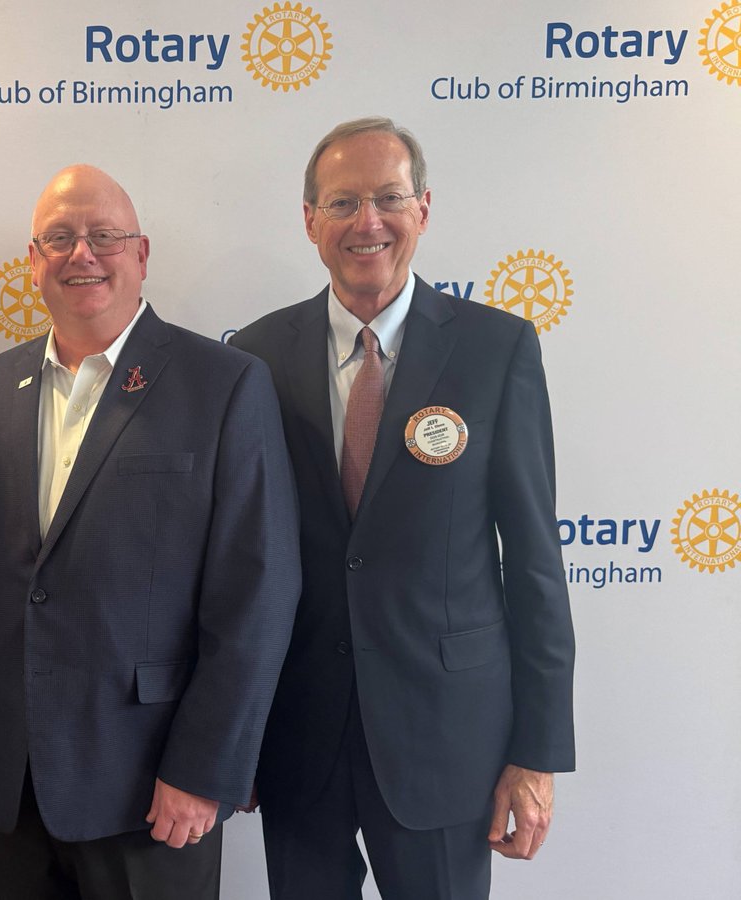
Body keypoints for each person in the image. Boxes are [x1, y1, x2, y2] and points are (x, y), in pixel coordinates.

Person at [0, 164, 300, 900]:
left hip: (153, 788)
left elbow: (257, 596)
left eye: (103, 236)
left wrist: (204, 768)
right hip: (8, 784)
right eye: (57, 238)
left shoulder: (224, 384)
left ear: (142, 253)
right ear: (32, 261)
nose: (80, 254)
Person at [230, 117, 576, 899]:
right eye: (343, 202)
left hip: (448, 741)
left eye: (388, 198)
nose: (368, 222)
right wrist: (232, 737)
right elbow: (236, 566)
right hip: (298, 734)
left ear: (423, 208)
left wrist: (537, 753)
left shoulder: (497, 349)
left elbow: (532, 563)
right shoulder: (253, 356)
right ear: (310, 220)